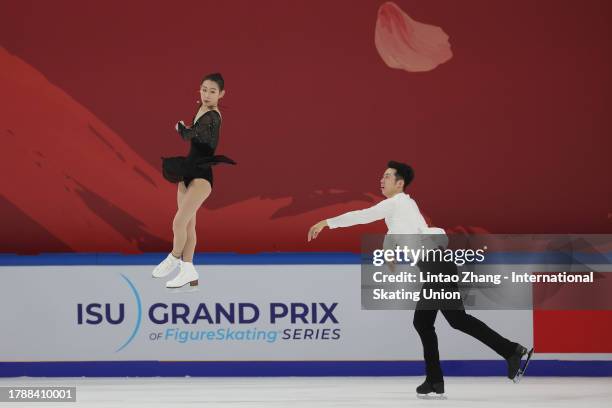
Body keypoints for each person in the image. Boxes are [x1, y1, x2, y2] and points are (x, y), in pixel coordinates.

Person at [307, 161, 529, 399]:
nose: (381, 180)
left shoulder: (397, 203)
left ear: (399, 183)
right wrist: (389, 251)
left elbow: (363, 216)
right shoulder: (403, 206)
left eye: (387, 177)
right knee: (425, 322)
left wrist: (326, 222)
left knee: (456, 320)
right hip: (436, 266)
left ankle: (511, 350)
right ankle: (435, 380)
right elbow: (394, 232)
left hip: (437, 266)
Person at [152, 73, 236, 288]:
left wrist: (180, 127)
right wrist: (184, 128)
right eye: (204, 89)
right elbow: (191, 134)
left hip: (202, 176)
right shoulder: (201, 108)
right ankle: (188, 270)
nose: (207, 94)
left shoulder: (213, 116)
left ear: (222, 94)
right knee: (189, 225)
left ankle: (173, 258)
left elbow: (189, 135)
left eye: (213, 91)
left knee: (178, 222)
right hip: (187, 170)